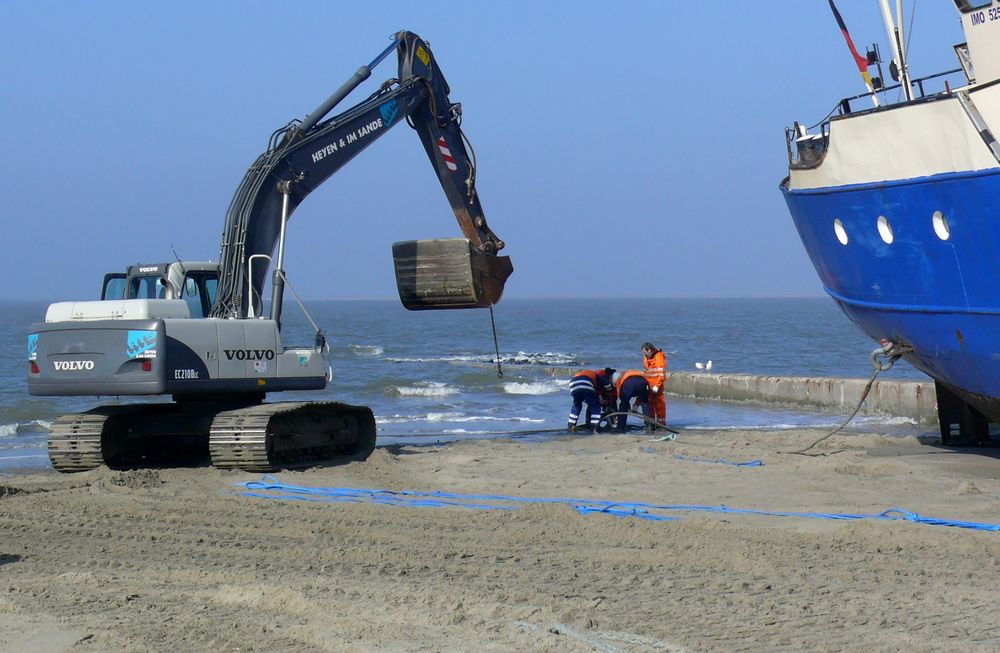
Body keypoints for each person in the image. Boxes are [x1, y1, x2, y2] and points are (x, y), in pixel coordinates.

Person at [567, 367, 615, 431]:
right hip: (586, 384)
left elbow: (586, 397)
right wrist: (609, 392)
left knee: (577, 405)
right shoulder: (596, 375)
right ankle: (594, 426)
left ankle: (571, 425)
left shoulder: (583, 374)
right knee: (595, 406)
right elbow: (607, 384)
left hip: (573, 385)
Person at [642, 342, 667, 429]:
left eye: (644, 352)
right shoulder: (646, 358)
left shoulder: (659, 357)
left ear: (649, 350)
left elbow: (661, 373)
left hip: (657, 386)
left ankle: (661, 425)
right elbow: (646, 372)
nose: (644, 354)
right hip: (649, 385)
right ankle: (651, 424)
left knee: (659, 405)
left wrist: (657, 386)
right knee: (650, 405)